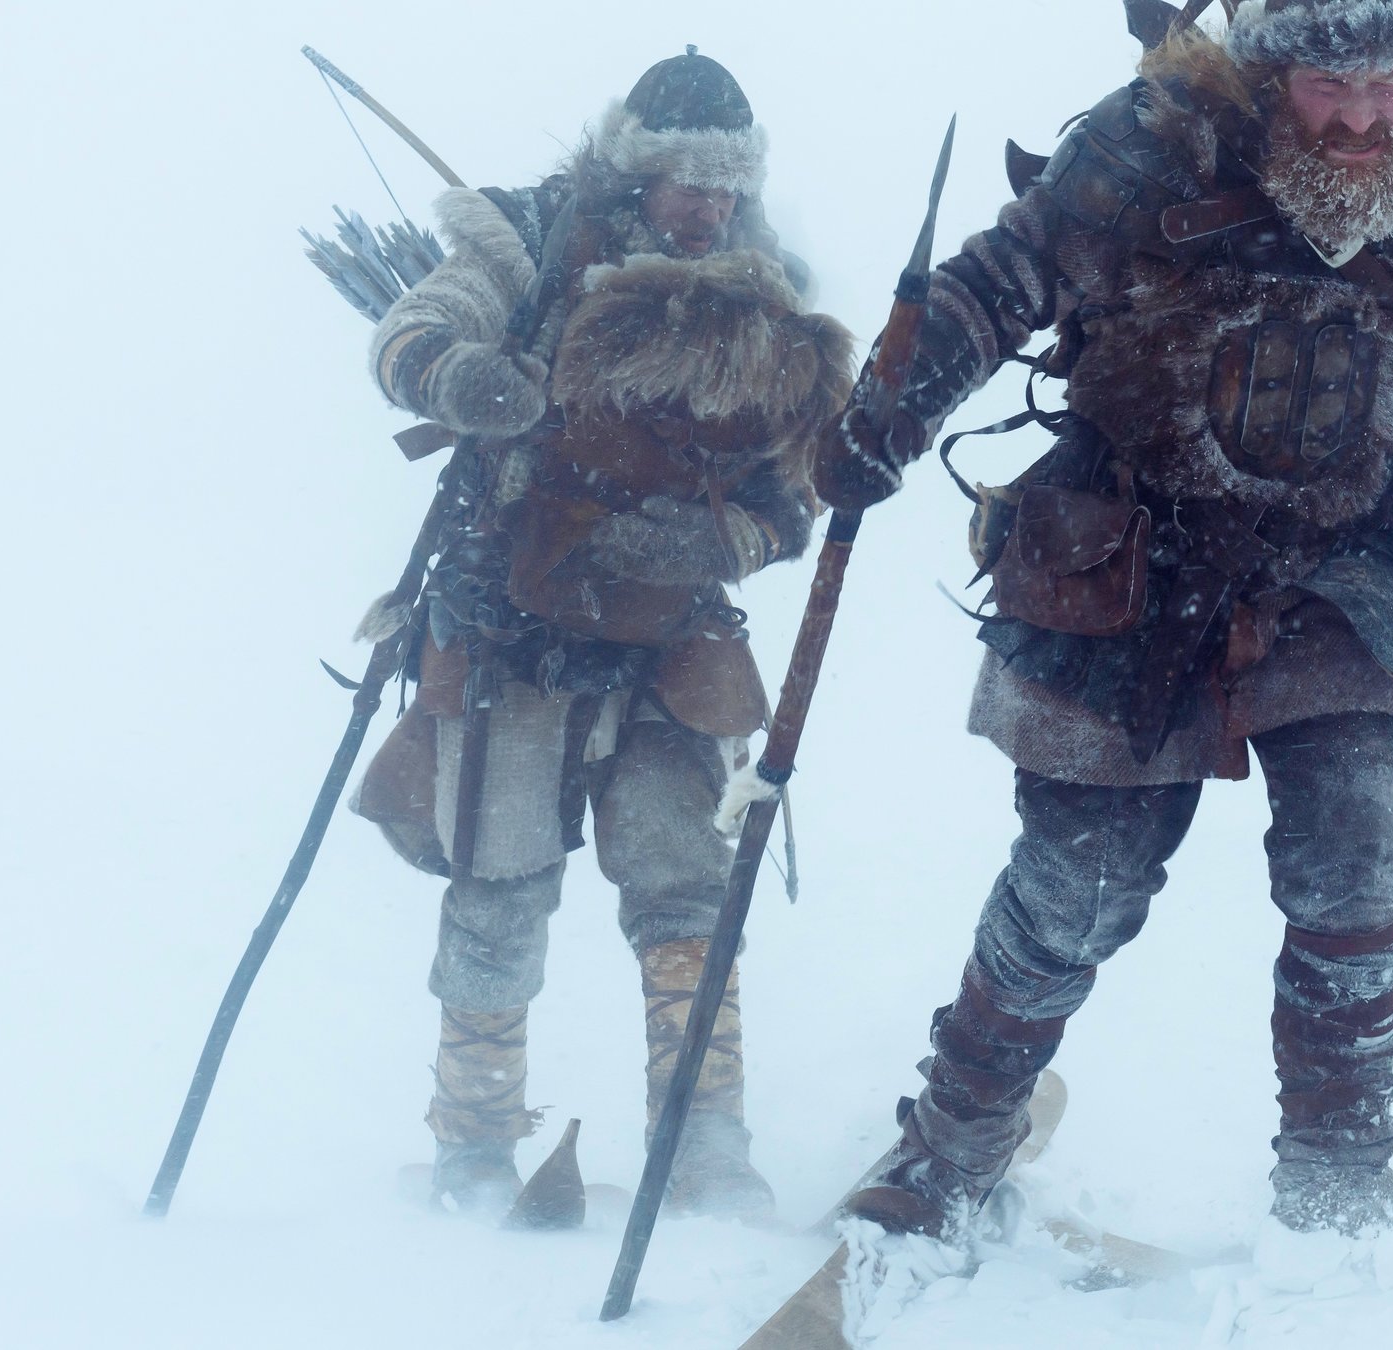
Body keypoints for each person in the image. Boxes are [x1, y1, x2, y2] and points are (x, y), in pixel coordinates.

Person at [813, 0, 1393, 1254]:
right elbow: (996, 282)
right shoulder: (1154, 143)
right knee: (1077, 889)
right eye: (1329, 83)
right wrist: (893, 408)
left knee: (1357, 867)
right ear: (1270, 70)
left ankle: (1338, 1194)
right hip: (1129, 562)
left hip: (1341, 566)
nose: (1364, 116)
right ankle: (953, 1149)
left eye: (1391, 84)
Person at [350, 49, 856, 1219]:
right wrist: (465, 376)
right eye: (687, 180)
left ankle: (702, 1144)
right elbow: (411, 334)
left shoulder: (766, 288)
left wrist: (727, 545)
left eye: (727, 184)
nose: (709, 204)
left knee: (685, 889)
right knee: (499, 877)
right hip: (511, 623)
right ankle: (473, 1145)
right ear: (634, 167)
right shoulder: (522, 244)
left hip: (676, 642)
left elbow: (800, 485)